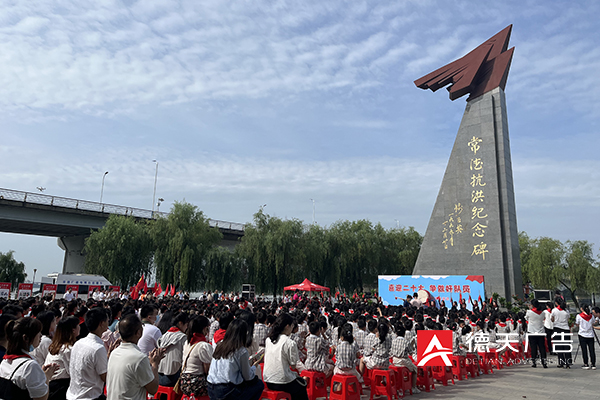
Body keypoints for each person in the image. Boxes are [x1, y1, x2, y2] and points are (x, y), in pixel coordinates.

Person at [106, 313, 165, 400]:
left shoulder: (114, 353)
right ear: (139, 333)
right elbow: (153, 389)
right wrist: (155, 365)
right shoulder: (139, 358)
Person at [0, 317, 59, 400]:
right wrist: (47, 376)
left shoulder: (5, 361)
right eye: (38, 332)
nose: (41, 335)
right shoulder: (30, 366)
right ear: (26, 338)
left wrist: (40, 374)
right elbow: (41, 398)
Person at [207, 319, 264, 400]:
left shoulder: (220, 345)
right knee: (259, 385)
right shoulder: (241, 351)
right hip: (227, 391)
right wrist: (254, 366)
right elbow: (248, 377)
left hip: (211, 388)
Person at [67, 308, 109, 400]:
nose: (108, 323)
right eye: (107, 321)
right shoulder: (98, 348)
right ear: (101, 323)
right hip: (89, 397)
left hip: (73, 395)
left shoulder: (79, 343)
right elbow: (105, 377)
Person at [263, 313, 308, 400]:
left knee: (295, 384)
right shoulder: (289, 342)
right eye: (292, 326)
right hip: (282, 382)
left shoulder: (269, 340)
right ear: (287, 326)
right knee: (301, 386)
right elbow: (293, 365)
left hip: (268, 380)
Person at [45, 316, 79, 400]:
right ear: (73, 330)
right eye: (78, 325)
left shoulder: (55, 346)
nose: (80, 327)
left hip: (51, 384)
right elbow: (72, 372)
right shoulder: (67, 349)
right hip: (61, 386)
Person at [180, 316, 213, 397]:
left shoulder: (187, 342)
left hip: (184, 382)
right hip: (197, 384)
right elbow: (207, 369)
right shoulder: (203, 346)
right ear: (205, 329)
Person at [158, 312, 189, 386]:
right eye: (186, 325)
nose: (187, 327)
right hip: (173, 376)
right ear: (180, 323)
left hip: (159, 375)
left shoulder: (164, 335)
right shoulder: (182, 337)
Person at [525, 299, 547, 368]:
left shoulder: (529, 312)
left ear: (532, 305)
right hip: (540, 332)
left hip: (532, 332)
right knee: (542, 348)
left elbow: (526, 318)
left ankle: (534, 363)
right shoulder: (542, 313)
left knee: (533, 348)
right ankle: (544, 363)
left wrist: (529, 309)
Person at [575, 305, 596, 370]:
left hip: (582, 334)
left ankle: (586, 364)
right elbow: (593, 323)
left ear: (582, 309)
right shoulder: (592, 316)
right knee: (592, 350)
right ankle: (593, 364)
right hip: (590, 335)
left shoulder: (579, 316)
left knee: (584, 350)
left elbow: (577, 324)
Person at [551, 299, 571, 368]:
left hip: (557, 329)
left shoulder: (554, 310)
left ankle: (561, 363)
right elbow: (568, 319)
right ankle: (568, 363)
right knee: (567, 346)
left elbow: (552, 319)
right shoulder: (566, 311)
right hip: (566, 329)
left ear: (556, 303)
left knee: (559, 347)